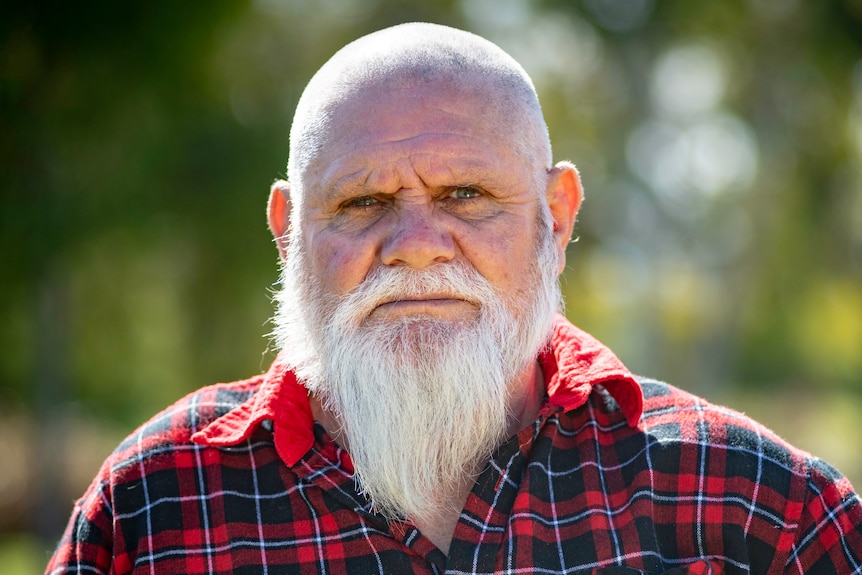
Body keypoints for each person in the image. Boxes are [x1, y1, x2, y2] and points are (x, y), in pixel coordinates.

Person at [47, 22, 862, 575]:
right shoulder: (157, 506)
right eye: (362, 203)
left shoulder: (751, 502)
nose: (415, 243)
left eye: (466, 194)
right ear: (288, 230)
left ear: (558, 215)